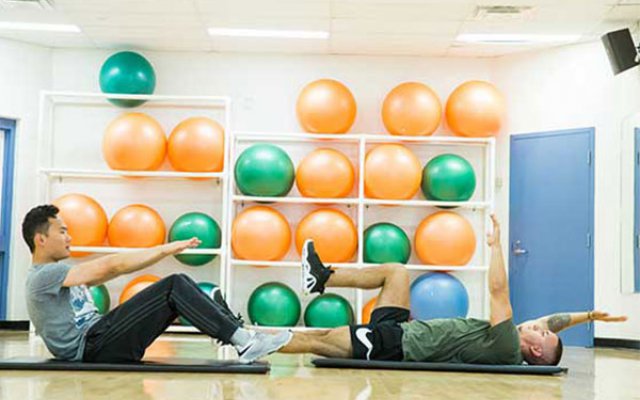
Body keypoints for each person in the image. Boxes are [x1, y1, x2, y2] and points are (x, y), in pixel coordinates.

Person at [278, 214, 627, 365]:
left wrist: (495, 245)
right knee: (396, 272)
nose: (539, 325)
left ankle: (248, 340)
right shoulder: (521, 341)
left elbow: (498, 290)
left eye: (540, 333)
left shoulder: (507, 345)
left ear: (534, 352)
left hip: (399, 345)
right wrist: (590, 316)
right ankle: (322, 278)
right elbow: (553, 323)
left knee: (319, 337)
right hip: (403, 330)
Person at [22, 204, 291, 363]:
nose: (69, 237)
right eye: (62, 231)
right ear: (40, 239)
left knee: (176, 288)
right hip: (91, 347)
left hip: (99, 338)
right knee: (174, 286)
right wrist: (165, 250)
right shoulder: (42, 276)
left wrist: (163, 251)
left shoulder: (60, 274)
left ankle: (237, 332)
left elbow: (112, 273)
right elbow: (112, 265)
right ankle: (244, 341)